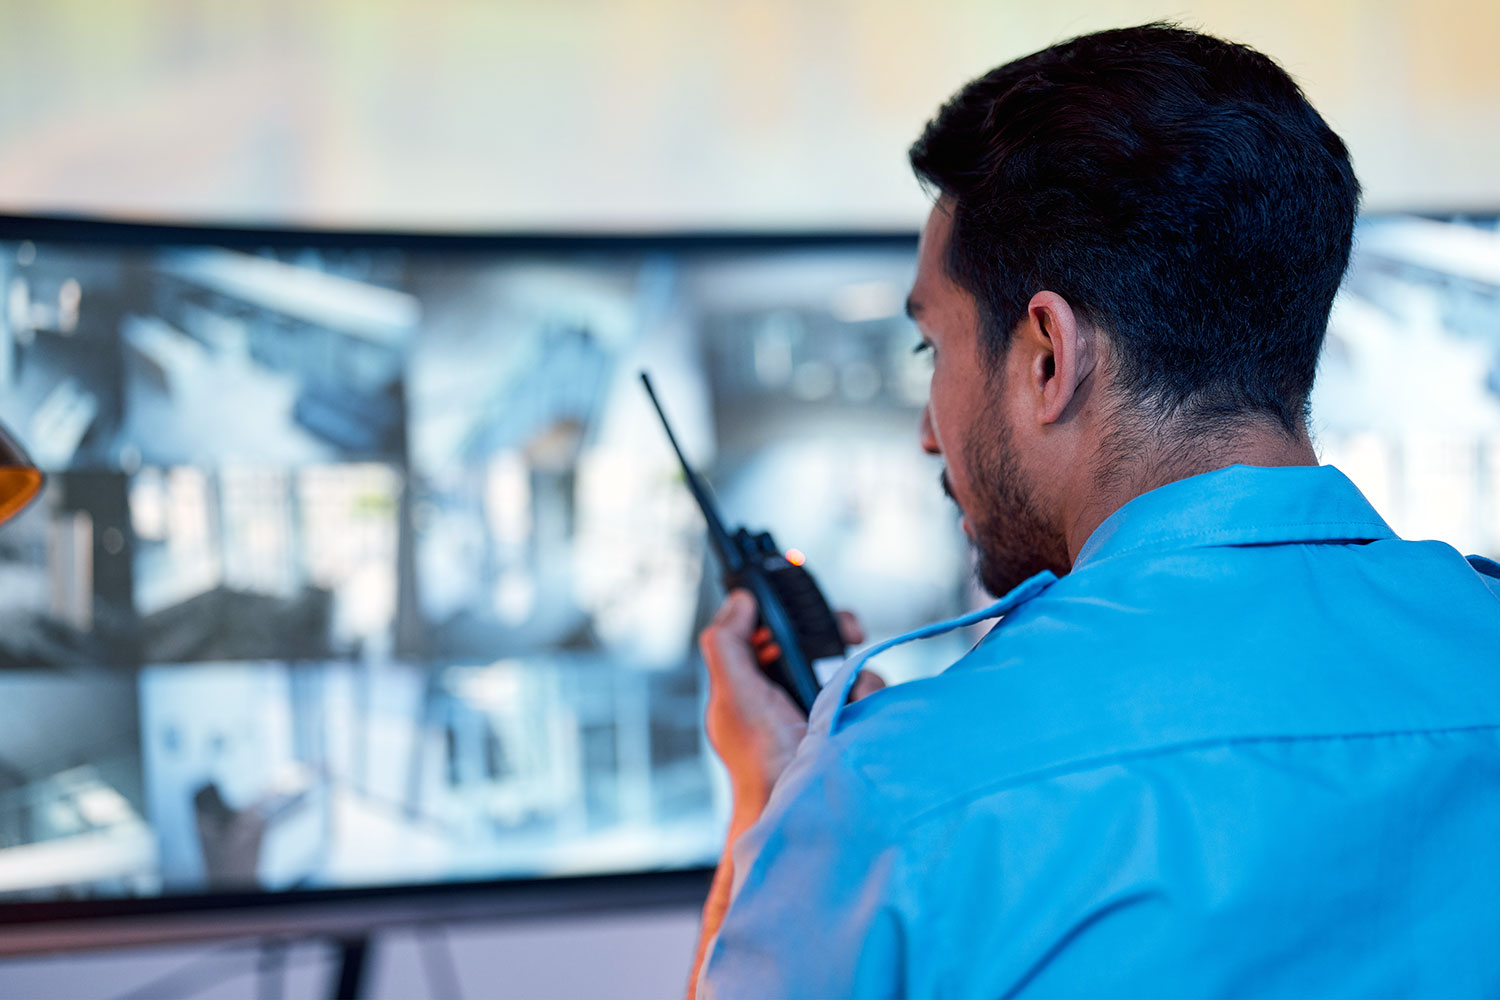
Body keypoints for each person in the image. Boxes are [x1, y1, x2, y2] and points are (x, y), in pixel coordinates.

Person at [688, 22, 1500, 999]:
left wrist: (770, 810)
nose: (928, 434)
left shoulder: (895, 797)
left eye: (930, 352)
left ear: (1046, 357)